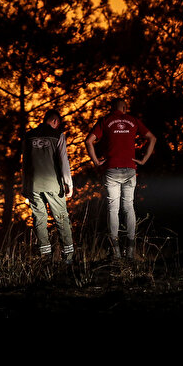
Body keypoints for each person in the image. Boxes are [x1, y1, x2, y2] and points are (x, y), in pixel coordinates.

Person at [86, 98, 155, 259]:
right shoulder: (133, 120)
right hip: (130, 169)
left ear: (111, 108)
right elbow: (153, 138)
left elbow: (88, 141)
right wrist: (144, 159)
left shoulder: (105, 120)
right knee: (129, 207)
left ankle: (116, 251)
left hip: (111, 170)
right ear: (124, 108)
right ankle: (130, 250)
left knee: (113, 208)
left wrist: (96, 161)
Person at [22, 110, 75, 263]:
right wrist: (68, 183)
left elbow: (25, 162)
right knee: (61, 218)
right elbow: (63, 161)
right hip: (53, 184)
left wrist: (24, 185)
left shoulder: (28, 135)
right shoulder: (58, 135)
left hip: (33, 185)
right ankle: (68, 257)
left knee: (39, 219)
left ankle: (45, 257)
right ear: (55, 121)